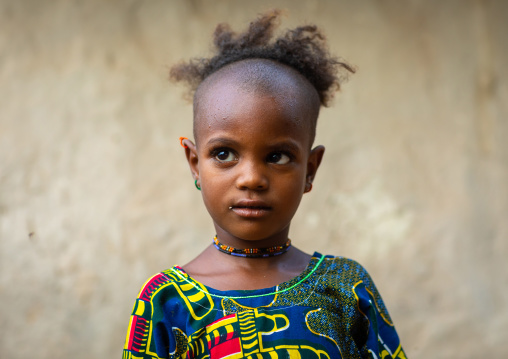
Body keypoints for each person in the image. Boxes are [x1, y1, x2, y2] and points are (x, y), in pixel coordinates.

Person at [122, 10, 406, 359]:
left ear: (311, 170)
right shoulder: (166, 301)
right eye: (224, 153)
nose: (252, 178)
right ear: (195, 164)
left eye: (278, 157)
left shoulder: (346, 288)